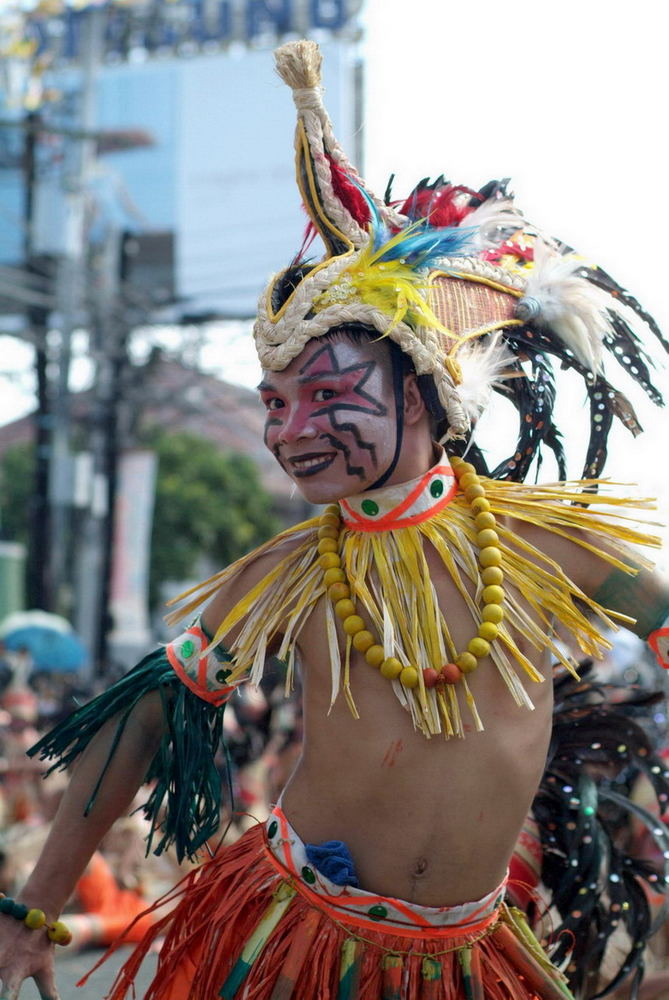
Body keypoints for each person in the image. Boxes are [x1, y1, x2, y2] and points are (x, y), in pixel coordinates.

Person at [1, 38, 669, 1000]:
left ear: (418, 389)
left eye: (321, 395)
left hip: (471, 959)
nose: (289, 430)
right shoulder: (287, 575)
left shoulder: (543, 542)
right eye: (274, 404)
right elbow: (143, 720)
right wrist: (32, 907)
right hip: (298, 945)